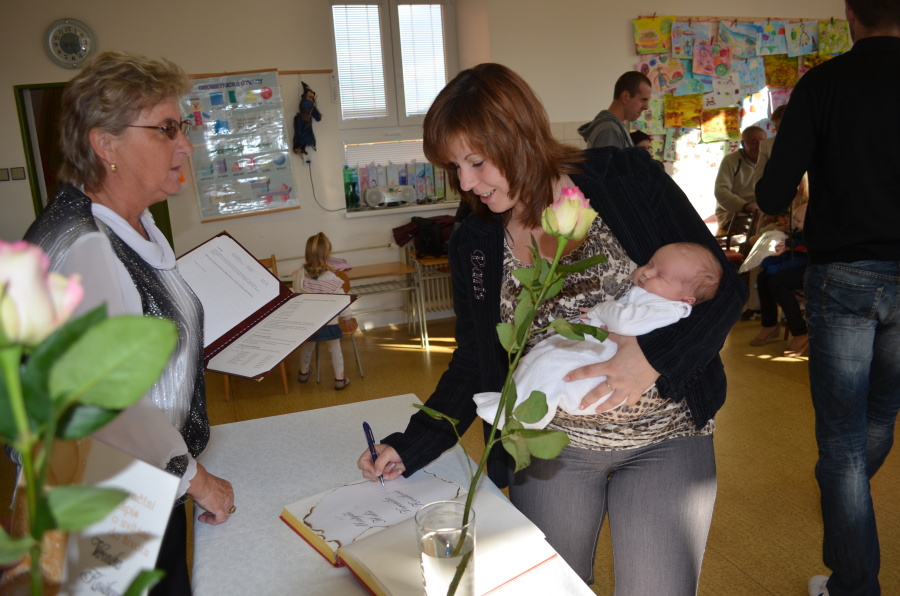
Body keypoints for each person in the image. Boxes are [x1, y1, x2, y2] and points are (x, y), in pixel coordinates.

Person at [357, 63, 744, 594]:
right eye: (454, 166)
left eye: (476, 161)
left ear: (519, 136)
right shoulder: (475, 240)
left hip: (667, 436)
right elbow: (474, 361)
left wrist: (651, 359)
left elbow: (725, 289)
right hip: (551, 447)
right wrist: (413, 444)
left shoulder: (625, 178)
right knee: (554, 587)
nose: (466, 183)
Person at [21, 51, 234, 596]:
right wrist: (197, 480)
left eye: (182, 127)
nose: (185, 145)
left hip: (140, 483)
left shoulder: (130, 225)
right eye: (166, 129)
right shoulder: (84, 246)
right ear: (105, 144)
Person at [756, 2, 900, 595]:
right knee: (881, 416)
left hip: (843, 275)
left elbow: (772, 192)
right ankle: (848, 501)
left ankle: (854, 582)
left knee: (841, 443)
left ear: (848, 14)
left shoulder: (823, 85)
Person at [475, 242, 723, 429]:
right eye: (650, 264)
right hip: (601, 349)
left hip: (608, 368)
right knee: (545, 349)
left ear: (686, 299)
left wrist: (600, 309)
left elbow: (625, 322)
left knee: (553, 362)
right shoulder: (656, 296)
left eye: (661, 276)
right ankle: (512, 398)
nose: (647, 273)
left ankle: (524, 417)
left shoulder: (671, 309)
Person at [291, 232, 357, 390]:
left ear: (307, 253)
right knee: (334, 348)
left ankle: (303, 373)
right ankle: (340, 379)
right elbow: (341, 301)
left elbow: (296, 295)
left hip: (309, 323)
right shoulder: (331, 278)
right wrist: (347, 317)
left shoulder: (299, 275)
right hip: (329, 323)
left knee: (307, 346)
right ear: (328, 254)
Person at [748, 203, 809, 357]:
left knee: (776, 282)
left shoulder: (817, 229)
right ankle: (770, 325)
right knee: (763, 277)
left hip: (814, 268)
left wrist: (789, 244)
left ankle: (800, 332)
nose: (795, 223)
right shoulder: (798, 229)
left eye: (798, 221)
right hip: (799, 264)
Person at [713, 125, 767, 236]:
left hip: (759, 213)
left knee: (786, 225)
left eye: (762, 142)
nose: (759, 146)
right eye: (753, 142)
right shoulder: (730, 160)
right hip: (732, 214)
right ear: (743, 144)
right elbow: (720, 191)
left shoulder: (767, 161)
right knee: (761, 230)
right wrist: (746, 206)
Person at [578, 71, 651, 149]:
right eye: (643, 100)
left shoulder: (616, 127)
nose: (646, 107)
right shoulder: (609, 130)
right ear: (625, 97)